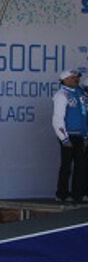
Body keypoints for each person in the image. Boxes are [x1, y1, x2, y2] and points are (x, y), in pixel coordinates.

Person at [52, 69, 87, 202]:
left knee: (81, 166)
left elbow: (85, 115)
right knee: (66, 166)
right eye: (73, 78)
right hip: (68, 135)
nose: (76, 79)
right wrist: (64, 138)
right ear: (65, 80)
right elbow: (58, 118)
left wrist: (86, 135)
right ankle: (62, 194)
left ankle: (77, 194)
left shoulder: (81, 94)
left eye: (77, 77)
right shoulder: (62, 95)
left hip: (80, 135)